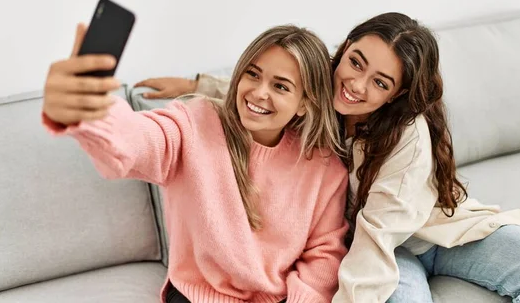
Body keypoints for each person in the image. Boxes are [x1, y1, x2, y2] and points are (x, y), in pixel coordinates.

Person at [136, 12, 520, 302]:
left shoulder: (408, 137)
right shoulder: (317, 90)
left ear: (398, 94)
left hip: (436, 231)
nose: (357, 86)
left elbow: (380, 237)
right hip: (368, 249)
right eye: (356, 62)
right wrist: (196, 82)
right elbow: (265, 92)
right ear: (342, 50)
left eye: (381, 83)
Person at [42, 23, 350, 303]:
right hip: (197, 296)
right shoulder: (195, 122)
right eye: (252, 74)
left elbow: (324, 254)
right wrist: (91, 110)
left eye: (280, 86)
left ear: (304, 104)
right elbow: (137, 139)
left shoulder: (324, 168)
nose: (258, 92)